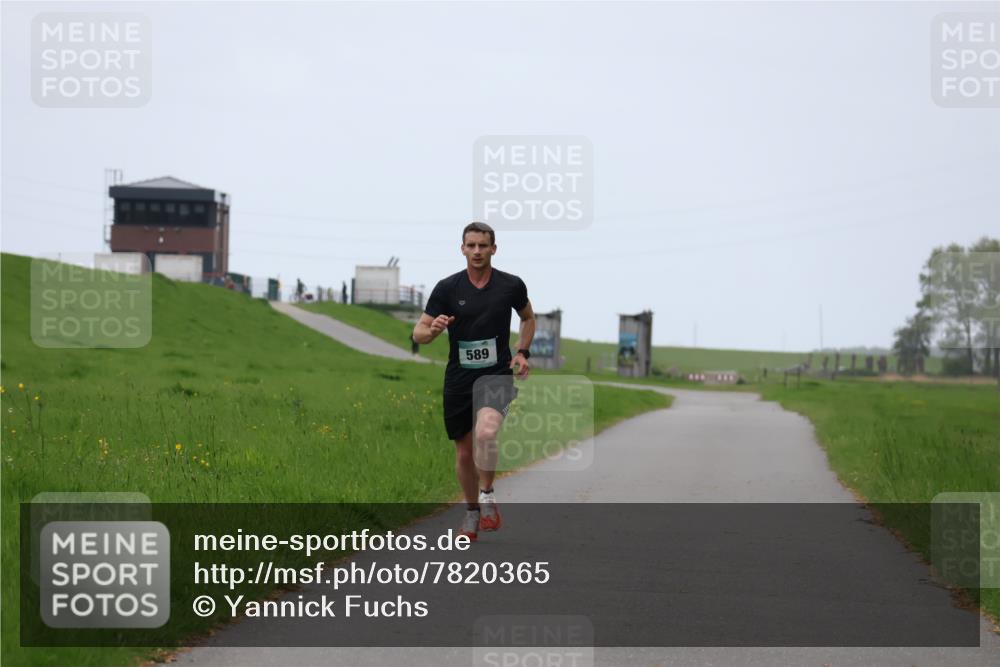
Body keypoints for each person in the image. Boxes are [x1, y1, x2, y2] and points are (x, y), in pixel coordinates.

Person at [412, 221, 535, 541]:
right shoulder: (447, 288)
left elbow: (527, 317)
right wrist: (433, 330)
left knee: (486, 431)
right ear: (462, 248)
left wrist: (522, 352)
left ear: (494, 248)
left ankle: (488, 495)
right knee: (465, 453)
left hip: (495, 373)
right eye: (471, 245)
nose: (477, 251)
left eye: (483, 245)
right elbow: (418, 333)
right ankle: (471, 513)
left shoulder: (510, 285)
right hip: (459, 378)